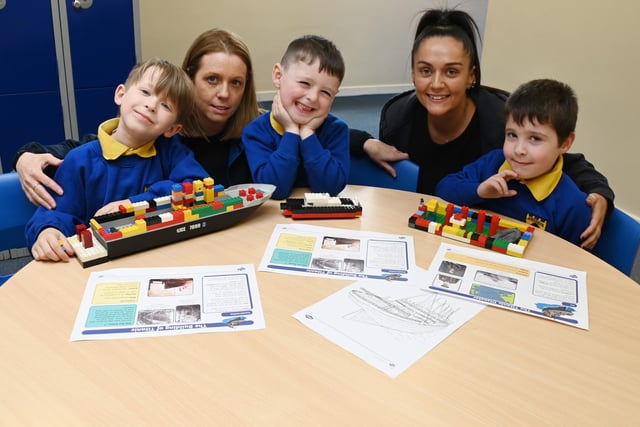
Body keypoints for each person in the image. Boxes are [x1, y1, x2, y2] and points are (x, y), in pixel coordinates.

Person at [349, 8, 614, 249]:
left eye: (451, 72)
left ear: (471, 75)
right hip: (428, 234)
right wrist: (366, 142)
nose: (437, 83)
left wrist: (600, 193)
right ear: (413, 73)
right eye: (426, 71)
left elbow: (565, 162)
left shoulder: (504, 125)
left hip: (479, 243)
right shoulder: (398, 116)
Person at [13, 28, 260, 208]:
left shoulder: (259, 135)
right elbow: (85, 150)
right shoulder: (154, 135)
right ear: (189, 80)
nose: (224, 93)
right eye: (212, 79)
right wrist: (25, 156)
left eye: (236, 83)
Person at [25, 58, 209, 262]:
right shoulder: (80, 160)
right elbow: (56, 212)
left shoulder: (172, 153)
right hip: (100, 264)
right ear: (121, 94)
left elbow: (198, 187)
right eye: (145, 92)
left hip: (162, 258)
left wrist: (133, 205)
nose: (151, 105)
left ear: (172, 129)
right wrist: (47, 231)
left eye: (165, 105)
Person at [435, 79, 590, 246]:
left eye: (535, 138)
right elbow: (443, 189)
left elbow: (574, 262)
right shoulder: (493, 163)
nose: (519, 150)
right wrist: (479, 191)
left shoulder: (574, 206)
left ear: (565, 143)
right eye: (512, 135)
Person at [242, 35, 349, 200]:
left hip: (324, 221)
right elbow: (275, 190)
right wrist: (291, 131)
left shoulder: (337, 130)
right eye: (305, 83)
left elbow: (330, 189)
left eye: (326, 92)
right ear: (278, 76)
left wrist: (308, 134)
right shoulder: (255, 132)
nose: (313, 97)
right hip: (274, 221)